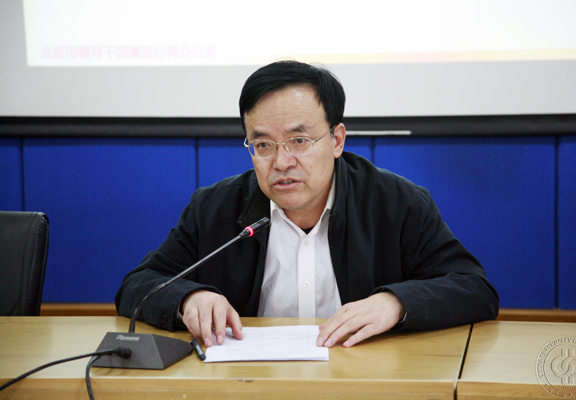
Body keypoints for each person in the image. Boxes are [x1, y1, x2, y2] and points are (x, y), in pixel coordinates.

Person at [115, 60, 499, 349]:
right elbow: (138, 285)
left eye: (299, 141)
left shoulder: (396, 203)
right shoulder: (214, 208)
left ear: (337, 140)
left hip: (363, 381)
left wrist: (394, 303)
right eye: (263, 144)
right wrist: (189, 298)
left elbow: (474, 288)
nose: (281, 162)